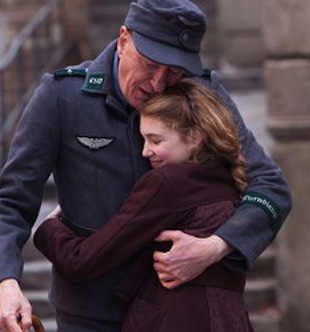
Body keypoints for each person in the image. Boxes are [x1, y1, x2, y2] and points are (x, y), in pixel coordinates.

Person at [0, 0, 292, 331]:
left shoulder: (203, 92)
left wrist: (215, 246)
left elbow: (270, 187)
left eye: (174, 71)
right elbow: (9, 202)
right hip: (90, 313)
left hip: (179, 314)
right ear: (124, 39)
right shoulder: (62, 96)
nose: (159, 83)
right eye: (150, 64)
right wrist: (5, 281)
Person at [34, 79, 254, 332]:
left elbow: (84, 261)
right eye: (144, 140)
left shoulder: (166, 184)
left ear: (194, 137)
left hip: (176, 319)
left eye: (155, 140)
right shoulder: (227, 178)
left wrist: (50, 228)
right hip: (231, 319)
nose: (145, 152)